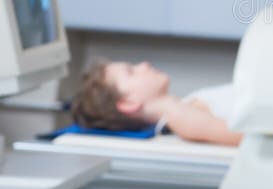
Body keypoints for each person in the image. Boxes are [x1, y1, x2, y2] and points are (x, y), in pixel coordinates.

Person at [71, 59, 242, 146]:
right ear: (128, 103)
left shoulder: (185, 106)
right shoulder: (182, 118)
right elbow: (250, 139)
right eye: (131, 72)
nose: (144, 65)